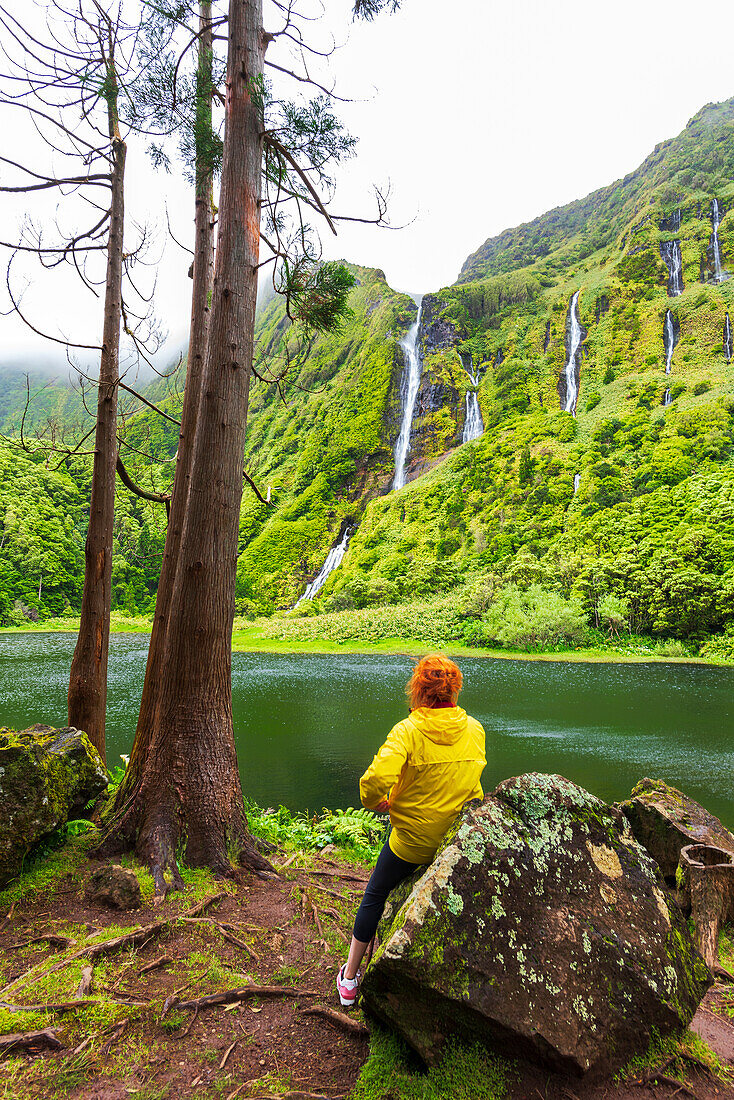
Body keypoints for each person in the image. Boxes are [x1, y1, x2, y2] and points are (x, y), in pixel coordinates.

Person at [336, 654, 486, 1007]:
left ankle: (349, 979)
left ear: (419, 690)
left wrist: (376, 801)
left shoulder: (407, 730)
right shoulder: (475, 729)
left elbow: (374, 781)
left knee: (374, 895)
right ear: (455, 689)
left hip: (413, 845)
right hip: (455, 840)